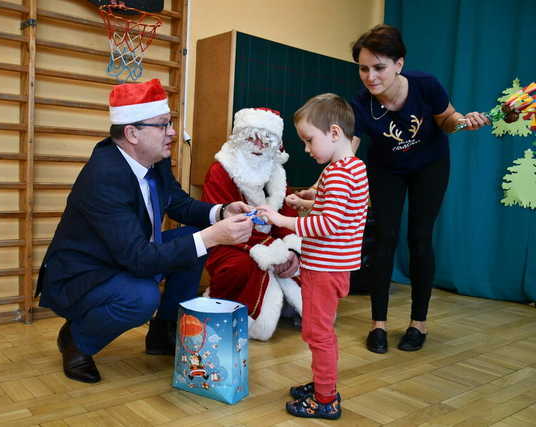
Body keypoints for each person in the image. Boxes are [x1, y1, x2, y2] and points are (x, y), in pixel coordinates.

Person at [35, 79, 254, 384]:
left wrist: (220, 211)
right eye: (164, 125)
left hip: (126, 257)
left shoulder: (152, 159)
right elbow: (139, 258)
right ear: (132, 133)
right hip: (84, 276)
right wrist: (213, 235)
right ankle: (77, 340)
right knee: (141, 297)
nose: (173, 132)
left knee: (194, 241)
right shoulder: (104, 178)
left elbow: (177, 203)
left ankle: (162, 333)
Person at [349, 24, 489, 353]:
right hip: (386, 169)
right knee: (383, 238)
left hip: (430, 165)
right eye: (364, 69)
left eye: (379, 67)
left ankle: (418, 324)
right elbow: (346, 152)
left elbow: (448, 120)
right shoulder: (359, 104)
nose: (371, 77)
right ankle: (378, 325)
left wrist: (464, 121)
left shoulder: (426, 85)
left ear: (399, 64)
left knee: (420, 237)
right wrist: (320, 187)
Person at [258, 93, 369, 420]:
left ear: (334, 133)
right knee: (318, 331)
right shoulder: (354, 167)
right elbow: (346, 212)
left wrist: (281, 220)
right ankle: (324, 383)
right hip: (337, 267)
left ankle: (325, 399)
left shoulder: (336, 173)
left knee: (318, 334)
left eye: (309, 140)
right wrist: (309, 202)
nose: (307, 149)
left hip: (324, 269)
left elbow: (327, 224)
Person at [201, 107, 303, 341]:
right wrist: (273, 251)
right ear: (239, 137)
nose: (258, 144)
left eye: (266, 139)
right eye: (251, 136)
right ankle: (242, 319)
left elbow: (287, 219)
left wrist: (290, 251)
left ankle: (293, 308)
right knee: (241, 266)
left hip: (269, 243)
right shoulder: (221, 170)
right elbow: (223, 225)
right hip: (229, 242)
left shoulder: (276, 172)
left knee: (310, 255)